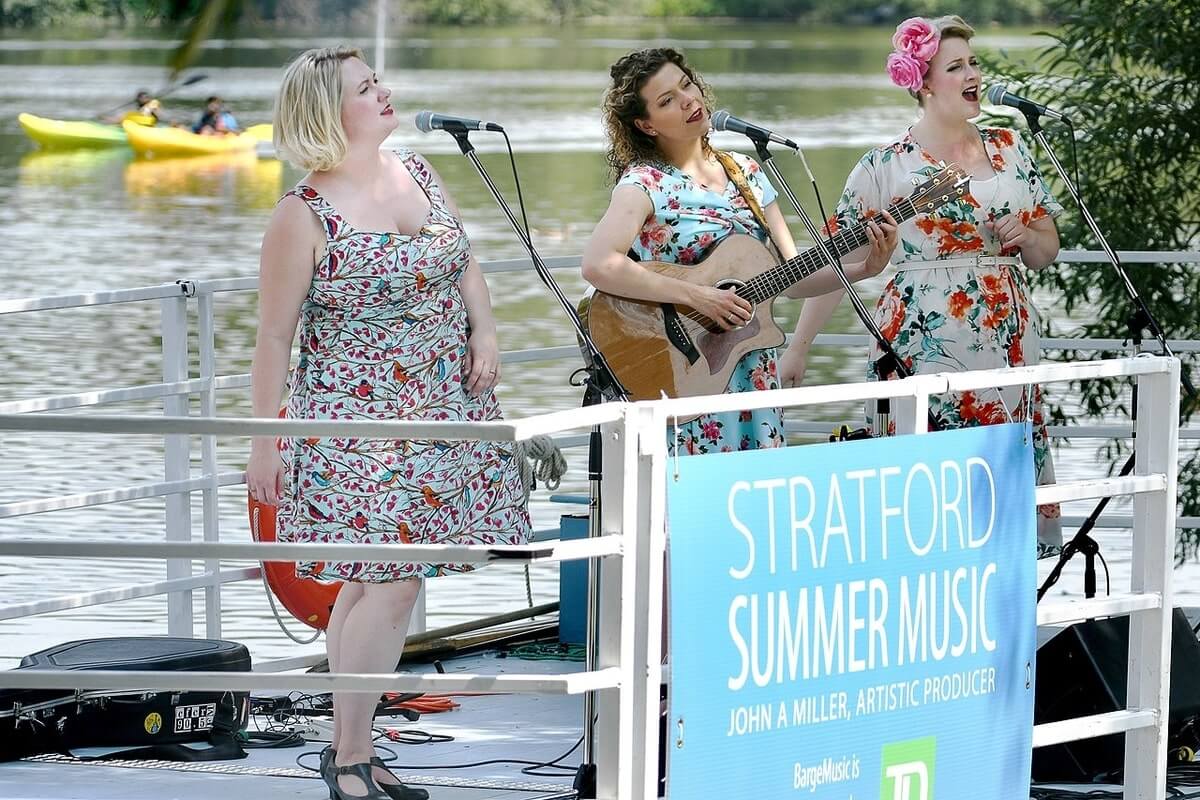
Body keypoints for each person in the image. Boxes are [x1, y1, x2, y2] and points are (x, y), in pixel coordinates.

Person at [245, 45, 531, 800]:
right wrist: (265, 442)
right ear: (326, 113)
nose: (384, 93)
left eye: (378, 82)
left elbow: (464, 262)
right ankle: (350, 756)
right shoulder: (301, 214)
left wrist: (486, 331)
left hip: (441, 414)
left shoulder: (420, 172)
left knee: (369, 586)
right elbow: (273, 338)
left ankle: (353, 751)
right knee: (394, 583)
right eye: (364, 88)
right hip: (354, 427)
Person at [784, 15, 1064, 549]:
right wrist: (799, 347)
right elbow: (839, 262)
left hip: (1007, 343)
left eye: (973, 63)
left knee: (1000, 491)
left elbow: (1046, 251)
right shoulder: (885, 166)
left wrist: (1026, 233)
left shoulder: (1010, 147)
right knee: (927, 490)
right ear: (924, 83)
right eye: (956, 67)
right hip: (920, 342)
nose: (972, 74)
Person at [581, 47, 895, 456]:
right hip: (684, 373)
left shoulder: (746, 172)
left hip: (750, 368)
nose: (688, 100)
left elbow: (792, 278)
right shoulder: (644, 184)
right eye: (667, 100)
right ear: (646, 125)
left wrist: (866, 268)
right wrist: (699, 296)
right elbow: (599, 264)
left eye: (687, 85)